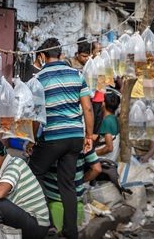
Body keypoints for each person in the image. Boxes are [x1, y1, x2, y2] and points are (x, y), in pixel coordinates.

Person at [26, 38, 94, 239]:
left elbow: (36, 114)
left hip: (54, 135)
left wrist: (32, 140)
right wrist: (88, 135)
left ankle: (44, 225)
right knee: (68, 184)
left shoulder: (38, 78)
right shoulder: (77, 74)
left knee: (34, 175)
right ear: (62, 55)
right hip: (75, 137)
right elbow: (88, 108)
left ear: (41, 57)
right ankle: (71, 232)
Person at [95, 93, 120, 161]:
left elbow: (109, 148)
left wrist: (93, 153)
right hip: (113, 156)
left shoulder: (106, 122)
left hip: (107, 159)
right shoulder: (116, 119)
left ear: (103, 104)